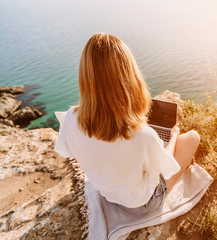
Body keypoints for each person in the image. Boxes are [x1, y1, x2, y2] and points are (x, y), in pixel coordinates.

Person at [54, 33, 200, 214]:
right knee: (192, 137)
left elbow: (77, 151)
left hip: (108, 195)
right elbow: (165, 167)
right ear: (129, 76)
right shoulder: (142, 135)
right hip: (143, 204)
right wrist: (174, 136)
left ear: (86, 76)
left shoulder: (69, 119)